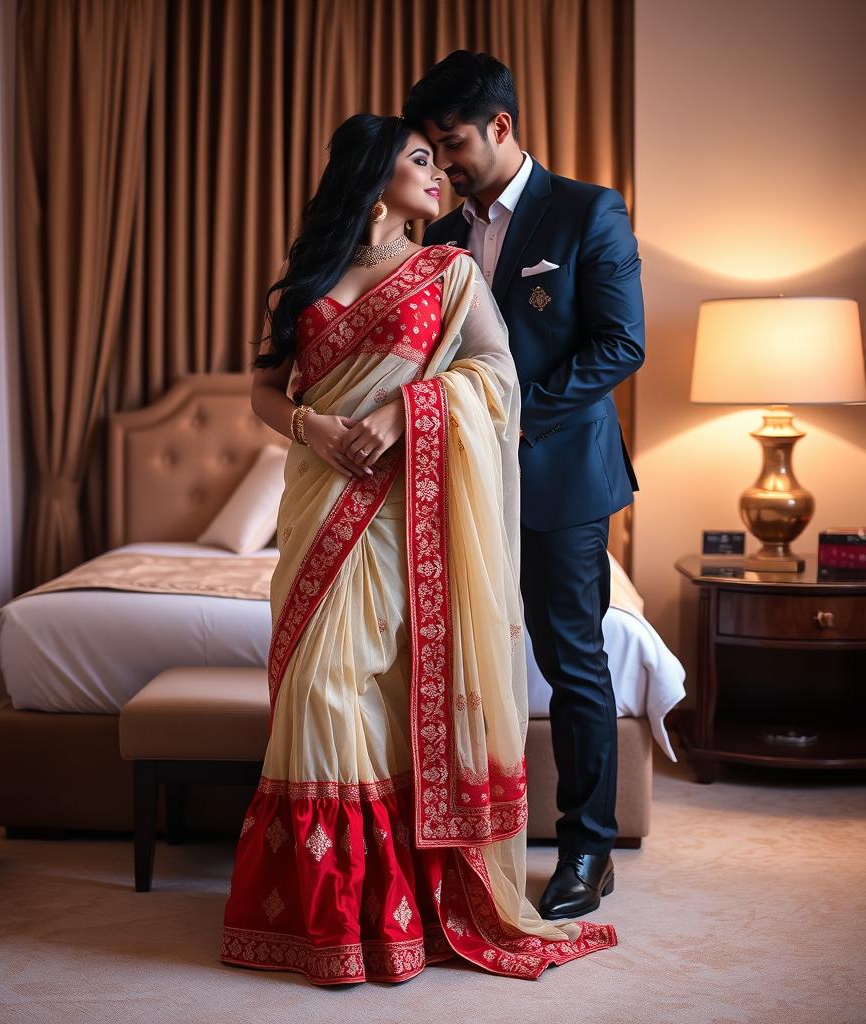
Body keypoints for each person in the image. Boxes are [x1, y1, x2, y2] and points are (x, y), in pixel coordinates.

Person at [220, 113, 616, 985]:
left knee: (377, 690)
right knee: (320, 687)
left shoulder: (450, 273)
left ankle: (393, 906)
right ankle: (335, 914)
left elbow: (496, 377)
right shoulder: (304, 280)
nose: (438, 177)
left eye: (439, 161)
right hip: (319, 504)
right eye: (420, 161)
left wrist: (407, 410)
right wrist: (307, 422)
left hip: (407, 510)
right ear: (373, 175)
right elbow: (261, 387)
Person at [405, 51, 646, 921]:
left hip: (558, 478)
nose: (442, 163)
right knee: (456, 657)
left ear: (501, 127)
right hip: (456, 488)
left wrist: (505, 421)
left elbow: (620, 346)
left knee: (570, 661)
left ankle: (588, 848)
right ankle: (460, 836)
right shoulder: (432, 233)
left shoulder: (588, 212)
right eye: (429, 149)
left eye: (454, 142)